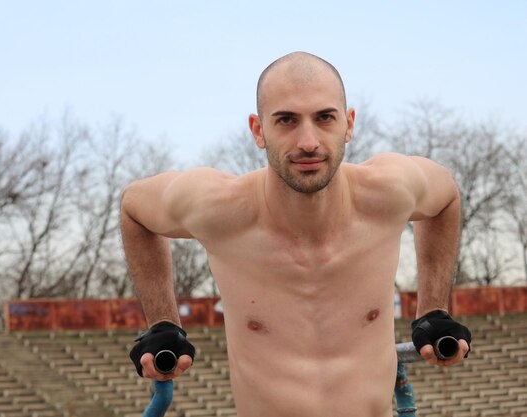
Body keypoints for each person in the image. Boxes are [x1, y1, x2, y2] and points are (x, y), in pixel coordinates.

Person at [120, 51, 471, 417]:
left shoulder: (389, 192)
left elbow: (445, 196)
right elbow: (134, 207)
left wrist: (433, 309)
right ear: (258, 130)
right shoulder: (218, 208)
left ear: (348, 124)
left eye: (324, 118)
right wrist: (162, 322)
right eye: (286, 119)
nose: (308, 141)